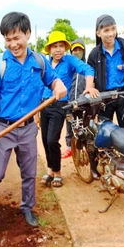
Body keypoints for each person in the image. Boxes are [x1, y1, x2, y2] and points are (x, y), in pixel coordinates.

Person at [0, 12, 67, 227]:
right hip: (3, 127)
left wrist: (58, 85)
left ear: (28, 34)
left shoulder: (40, 61)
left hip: (28, 129)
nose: (13, 44)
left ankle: (27, 208)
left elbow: (53, 80)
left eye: (17, 38)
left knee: (29, 173)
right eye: (8, 39)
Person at [39, 31, 97, 188]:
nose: (58, 50)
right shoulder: (45, 63)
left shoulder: (70, 61)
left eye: (60, 46)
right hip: (44, 105)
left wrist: (89, 87)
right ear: (49, 49)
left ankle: (57, 173)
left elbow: (88, 70)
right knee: (44, 140)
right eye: (54, 46)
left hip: (60, 105)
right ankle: (50, 170)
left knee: (52, 140)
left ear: (64, 47)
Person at [87, 14, 124, 127]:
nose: (111, 34)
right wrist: (89, 87)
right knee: (104, 132)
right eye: (106, 30)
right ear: (98, 33)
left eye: (113, 29)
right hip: (104, 98)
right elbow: (90, 73)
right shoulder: (94, 54)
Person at [62, 38, 88, 159]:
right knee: (70, 123)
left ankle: (86, 148)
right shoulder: (68, 67)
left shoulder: (87, 67)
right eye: (74, 50)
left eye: (79, 50)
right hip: (70, 101)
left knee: (85, 125)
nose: (77, 52)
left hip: (84, 102)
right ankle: (69, 147)